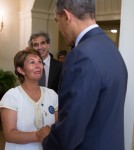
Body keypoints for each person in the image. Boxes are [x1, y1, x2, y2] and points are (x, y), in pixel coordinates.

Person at [36, 0, 128, 150]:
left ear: (66, 16)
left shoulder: (80, 55)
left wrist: (47, 138)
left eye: (57, 21)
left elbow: (71, 129)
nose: (58, 27)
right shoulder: (111, 47)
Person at [0, 48, 58, 150]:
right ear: (21, 70)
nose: (38, 66)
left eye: (40, 62)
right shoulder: (12, 96)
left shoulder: (52, 95)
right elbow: (9, 134)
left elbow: (58, 126)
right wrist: (39, 135)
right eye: (32, 62)